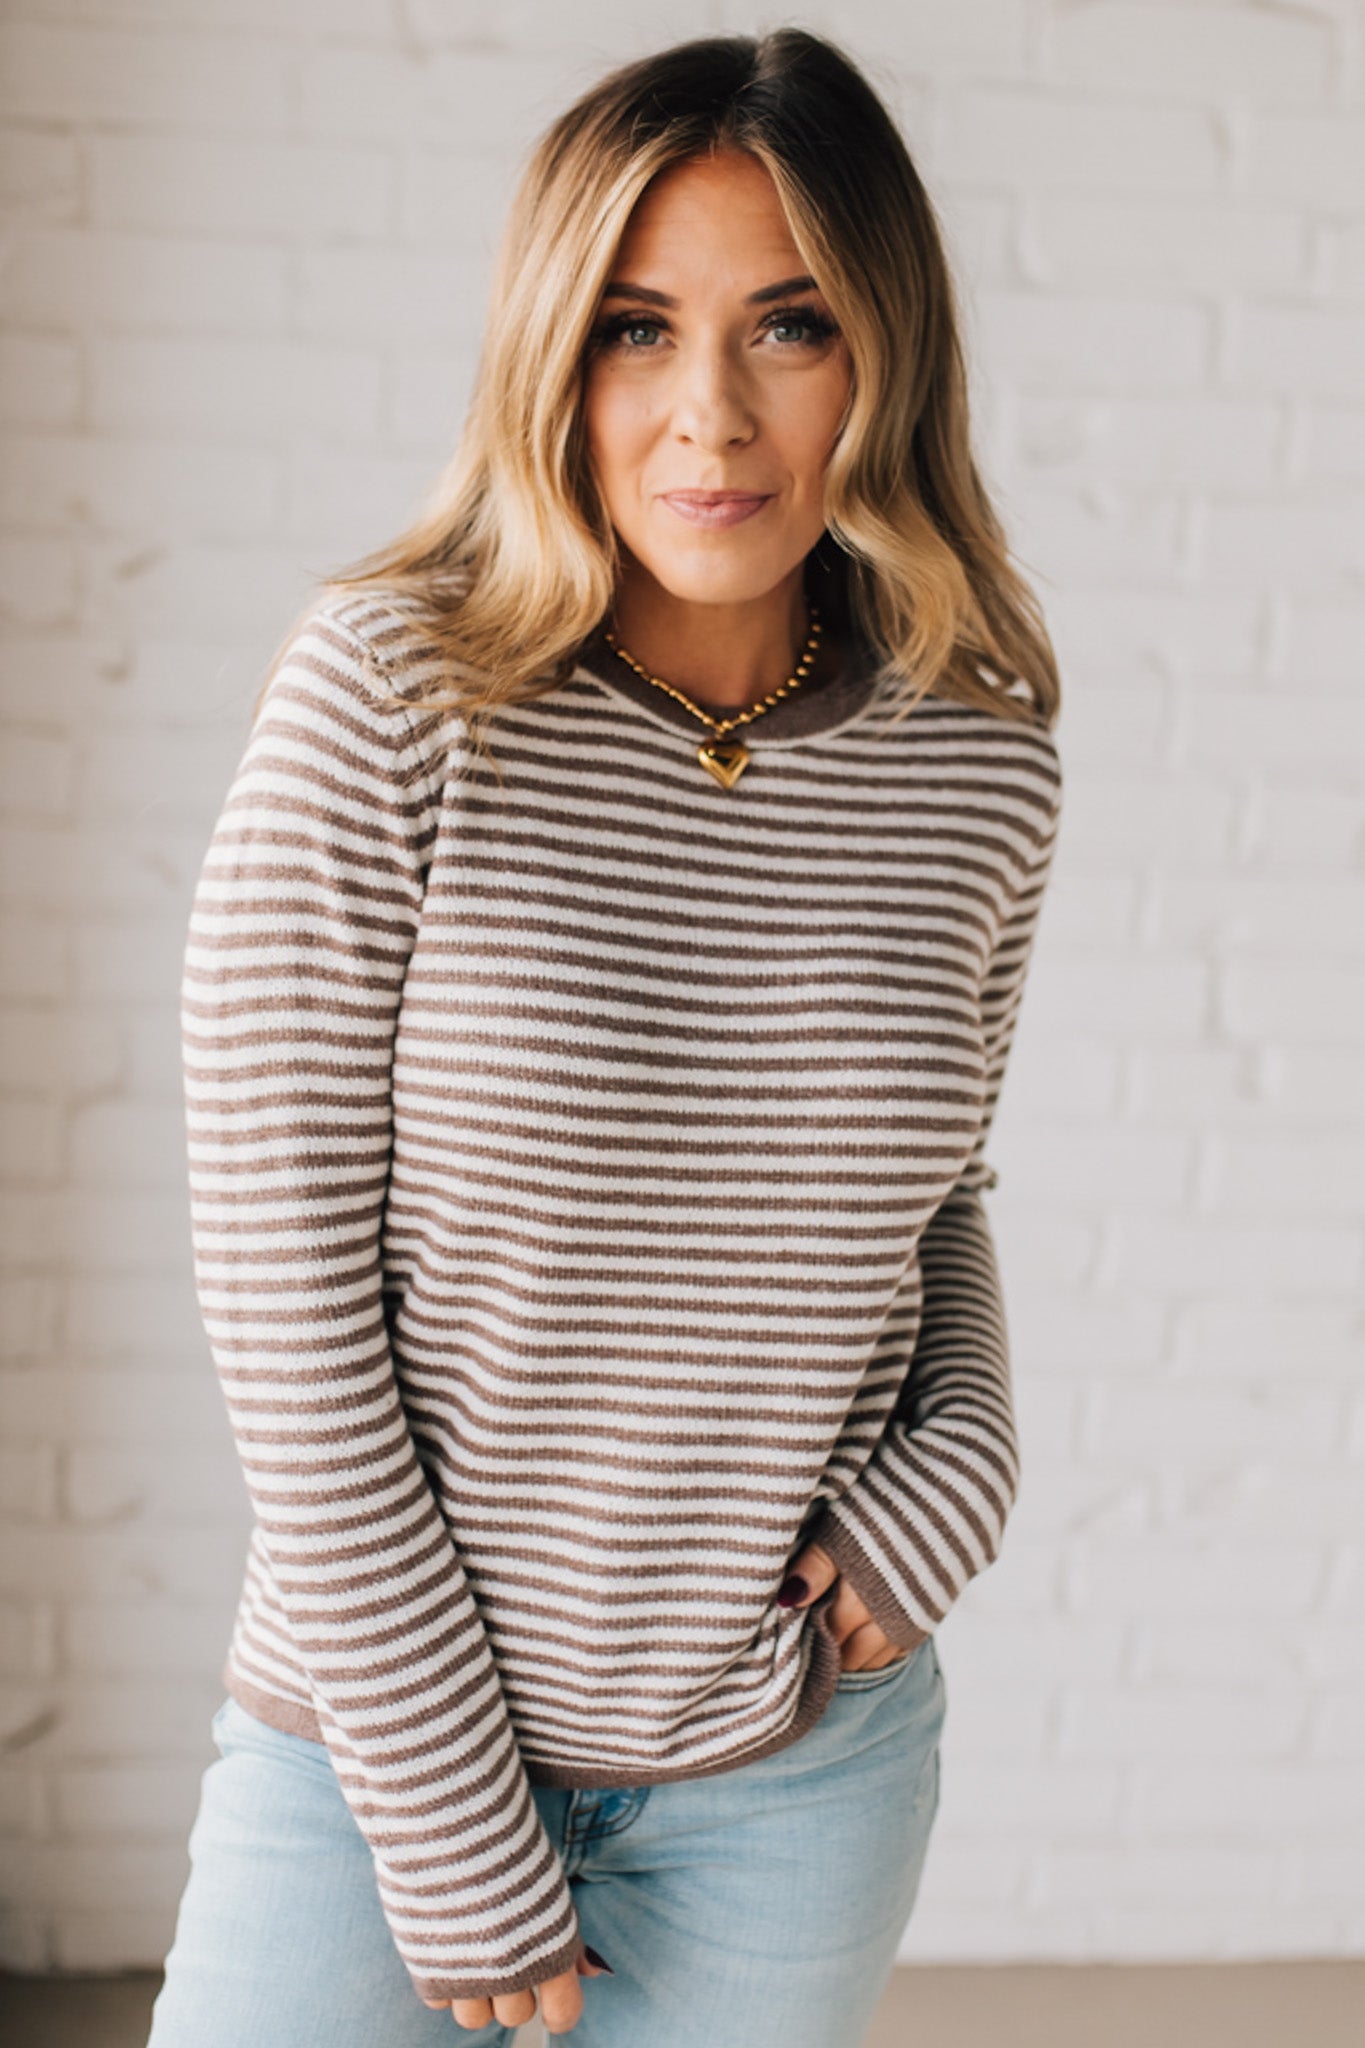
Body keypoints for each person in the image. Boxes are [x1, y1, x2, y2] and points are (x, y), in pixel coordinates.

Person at [147, 27, 1063, 2048]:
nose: (706, 415)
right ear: (550, 352)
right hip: (368, 1757)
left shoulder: (979, 766)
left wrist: (967, 1447)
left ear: (883, 354)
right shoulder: (390, 696)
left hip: (789, 1781)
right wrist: (451, 1816)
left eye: (787, 327)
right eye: (637, 329)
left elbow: (934, 1188)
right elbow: (282, 1297)